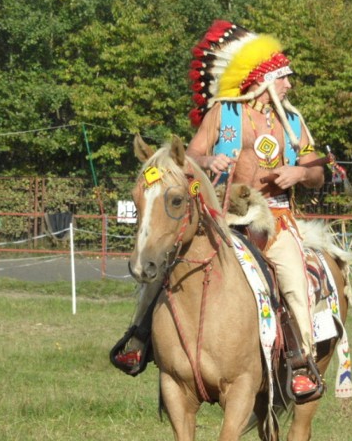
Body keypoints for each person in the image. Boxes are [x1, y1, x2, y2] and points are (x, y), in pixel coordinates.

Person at [113, 20, 324, 399]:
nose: (289, 85)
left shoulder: (294, 123)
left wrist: (299, 173)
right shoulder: (223, 114)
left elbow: (318, 174)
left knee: (295, 281)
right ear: (263, 81)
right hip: (222, 218)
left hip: (274, 221)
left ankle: (301, 362)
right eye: (283, 78)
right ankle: (138, 338)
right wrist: (209, 162)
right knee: (166, 269)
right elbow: (189, 157)